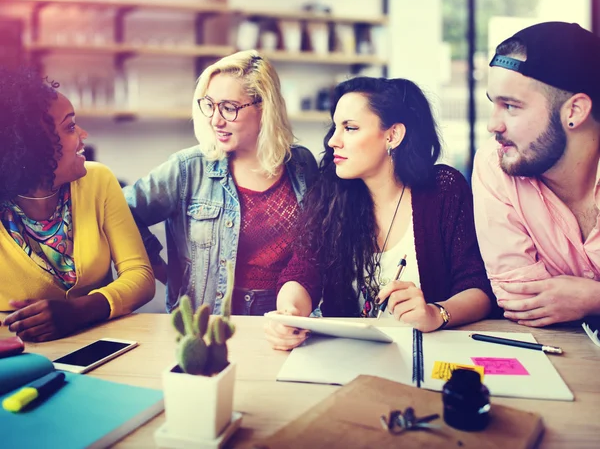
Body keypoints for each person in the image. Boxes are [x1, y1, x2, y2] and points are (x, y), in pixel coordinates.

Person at [265, 76, 495, 350]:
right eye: (335, 127)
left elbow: (478, 287)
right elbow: (303, 271)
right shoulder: (331, 191)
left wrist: (436, 313)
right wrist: (289, 313)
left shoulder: (443, 189)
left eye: (350, 128)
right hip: (348, 356)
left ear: (393, 135)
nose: (333, 141)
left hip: (428, 354)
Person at [124, 50, 318, 315]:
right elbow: (120, 210)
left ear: (264, 107)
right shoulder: (187, 168)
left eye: (229, 107)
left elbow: (314, 246)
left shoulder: (301, 164)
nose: (215, 119)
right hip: (209, 321)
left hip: (286, 316)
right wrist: (157, 267)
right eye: (210, 105)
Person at [0, 65, 155, 342]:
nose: (83, 134)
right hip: (19, 358)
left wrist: (78, 311)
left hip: (100, 347)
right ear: (32, 145)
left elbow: (140, 277)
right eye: (70, 126)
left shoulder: (98, 181)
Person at [472, 21, 600, 327]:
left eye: (511, 106)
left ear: (574, 111)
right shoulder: (496, 164)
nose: (493, 125)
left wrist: (592, 299)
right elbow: (520, 300)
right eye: (494, 104)